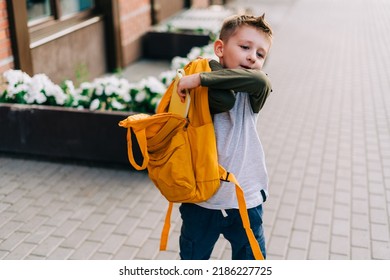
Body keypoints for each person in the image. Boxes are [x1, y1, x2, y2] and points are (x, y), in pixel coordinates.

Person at [176, 13, 273, 260]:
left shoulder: (255, 90)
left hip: (245, 199)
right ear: (220, 48)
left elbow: (259, 79)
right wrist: (206, 77)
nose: (253, 56)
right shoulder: (205, 91)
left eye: (260, 54)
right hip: (201, 200)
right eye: (244, 47)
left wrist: (198, 79)